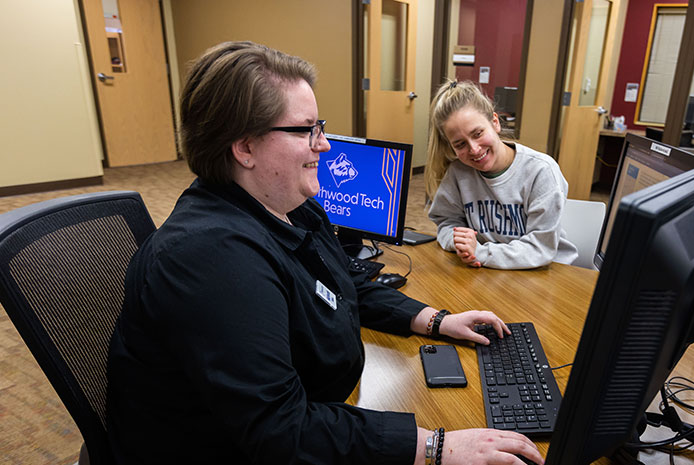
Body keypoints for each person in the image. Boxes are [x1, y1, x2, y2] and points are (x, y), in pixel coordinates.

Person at [105, 42, 544, 465]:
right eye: (305, 130)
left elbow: (343, 282)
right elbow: (282, 431)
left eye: (321, 126)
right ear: (244, 147)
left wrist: (437, 319)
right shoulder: (211, 260)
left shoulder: (292, 206)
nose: (325, 145)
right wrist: (435, 447)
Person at [425, 81, 578, 270]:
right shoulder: (459, 172)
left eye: (478, 133)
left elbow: (539, 248)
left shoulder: (541, 171)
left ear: (495, 122)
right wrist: (459, 243)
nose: (474, 149)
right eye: (460, 144)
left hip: (547, 272)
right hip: (491, 271)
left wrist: (480, 252)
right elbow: (447, 221)